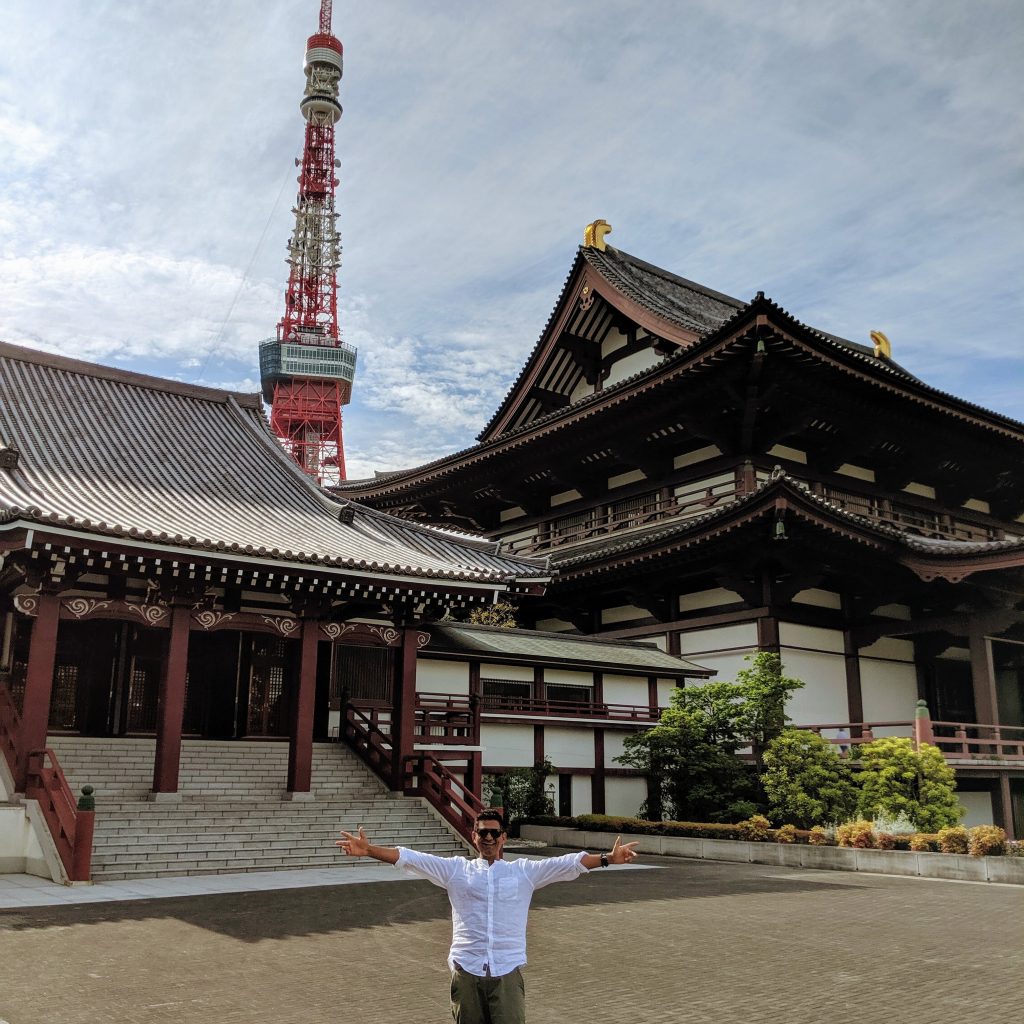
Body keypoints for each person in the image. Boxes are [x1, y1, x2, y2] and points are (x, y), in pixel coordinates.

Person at [336, 809, 639, 1024]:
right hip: (466, 972)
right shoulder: (456, 870)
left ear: (504, 837)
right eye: (483, 833)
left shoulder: (523, 873)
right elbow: (410, 858)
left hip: (506, 974)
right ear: (474, 836)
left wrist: (607, 859)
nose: (489, 838)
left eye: (495, 833)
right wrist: (369, 850)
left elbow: (568, 863)